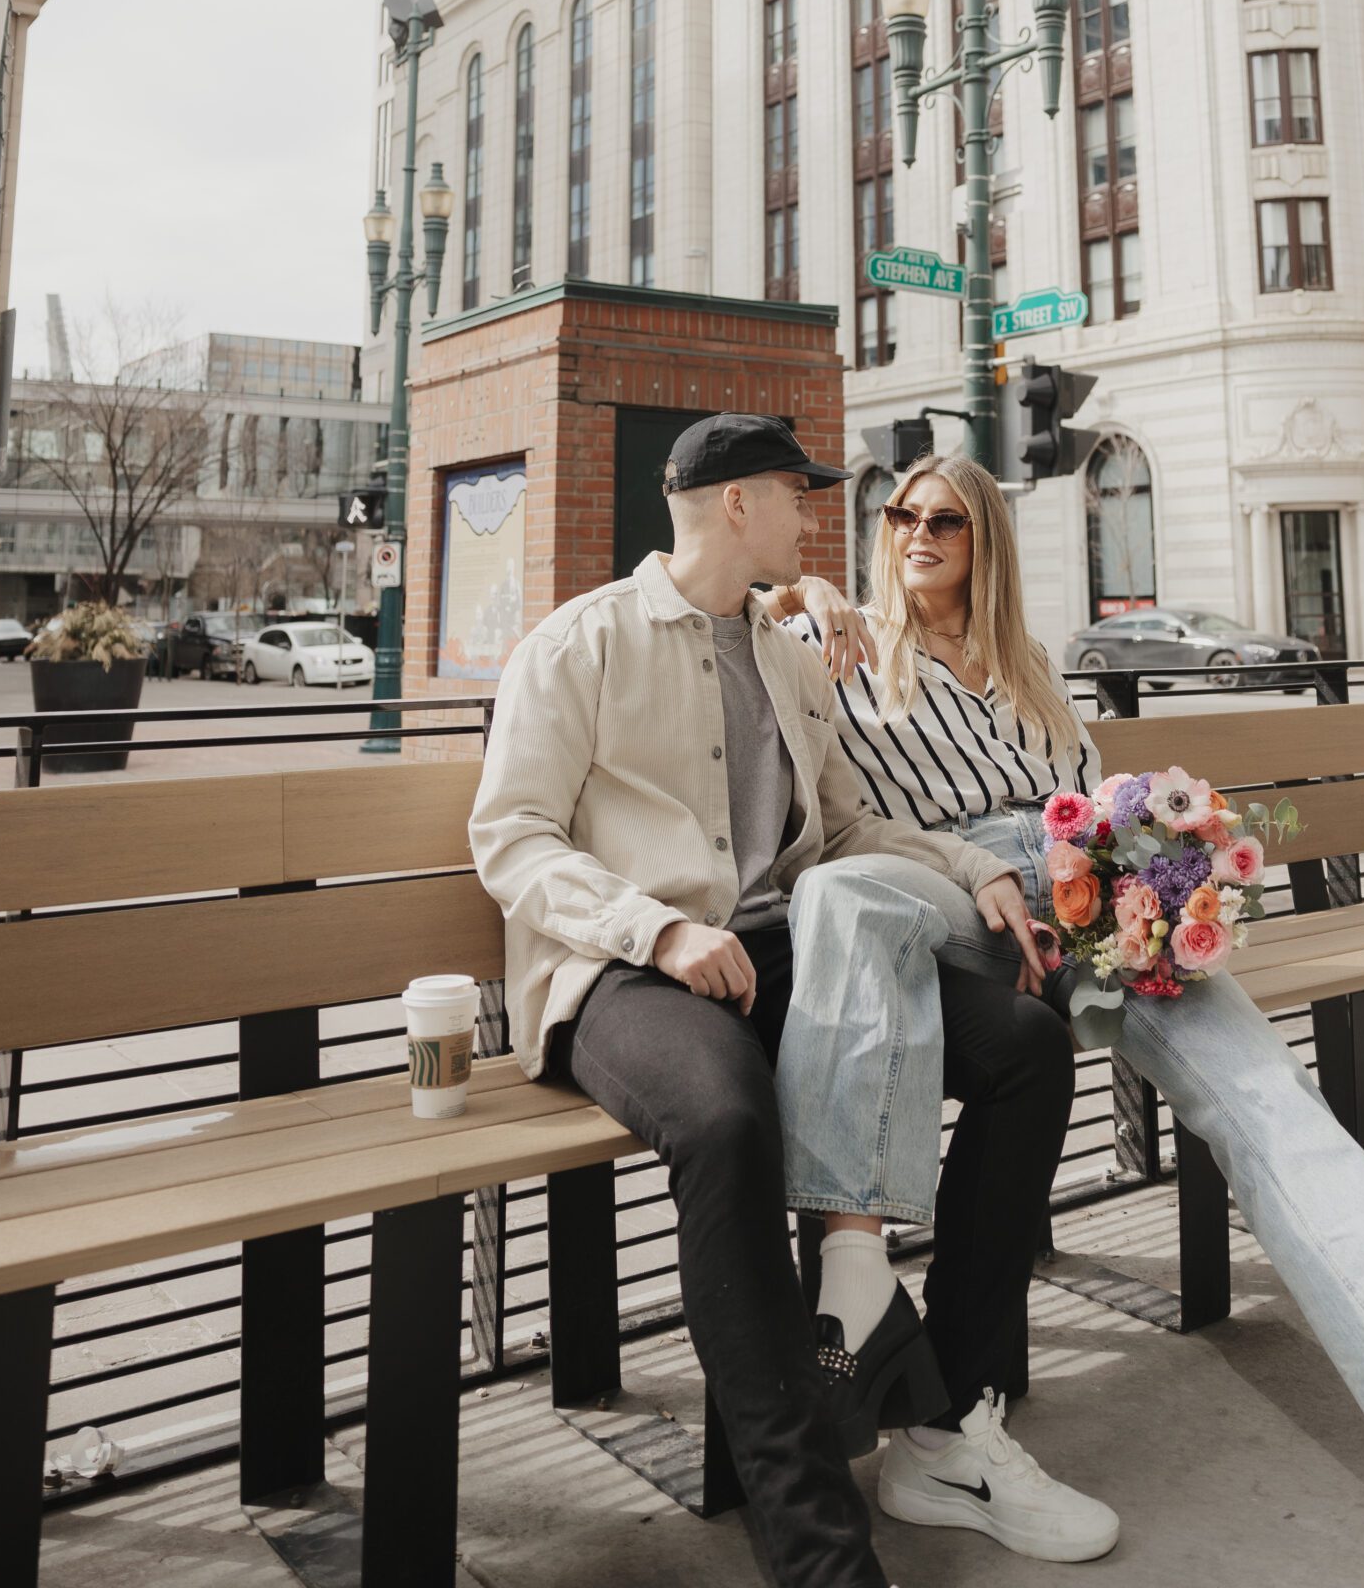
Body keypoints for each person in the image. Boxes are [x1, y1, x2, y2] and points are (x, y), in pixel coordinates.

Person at [767, 450, 1364, 1588]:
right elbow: (740, 630)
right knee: (840, 892)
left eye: (945, 518)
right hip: (949, 896)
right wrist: (796, 590)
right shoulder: (838, 643)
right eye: (899, 514)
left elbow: (1088, 798)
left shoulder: (1028, 667)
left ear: (986, 538)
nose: (916, 533)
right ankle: (854, 1291)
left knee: (1273, 1107)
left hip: (1094, 901)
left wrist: (1157, 871)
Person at [470, 413, 1117, 1588]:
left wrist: (981, 872)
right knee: (725, 1122)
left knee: (1025, 1045)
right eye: (793, 494)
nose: (813, 517)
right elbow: (508, 837)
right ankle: (819, 1546)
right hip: (621, 972)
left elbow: (847, 825)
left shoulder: (781, 655)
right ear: (734, 505)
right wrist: (655, 929)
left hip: (775, 947)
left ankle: (945, 1430)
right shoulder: (580, 643)